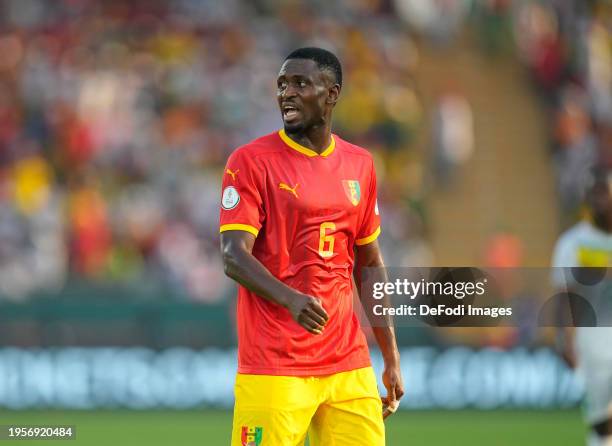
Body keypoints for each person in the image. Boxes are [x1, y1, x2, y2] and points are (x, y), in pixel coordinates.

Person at [219, 47, 404, 446]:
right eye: (282, 85)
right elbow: (233, 255)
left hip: (348, 364)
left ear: (332, 93)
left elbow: (369, 263)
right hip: (274, 365)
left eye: (300, 83)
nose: (287, 93)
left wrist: (390, 355)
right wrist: (291, 300)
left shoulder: (360, 164)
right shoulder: (250, 161)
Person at [551, 168, 612, 446]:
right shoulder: (574, 243)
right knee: (603, 422)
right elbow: (564, 297)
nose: (602, 201)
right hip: (593, 343)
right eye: (597, 195)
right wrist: (564, 339)